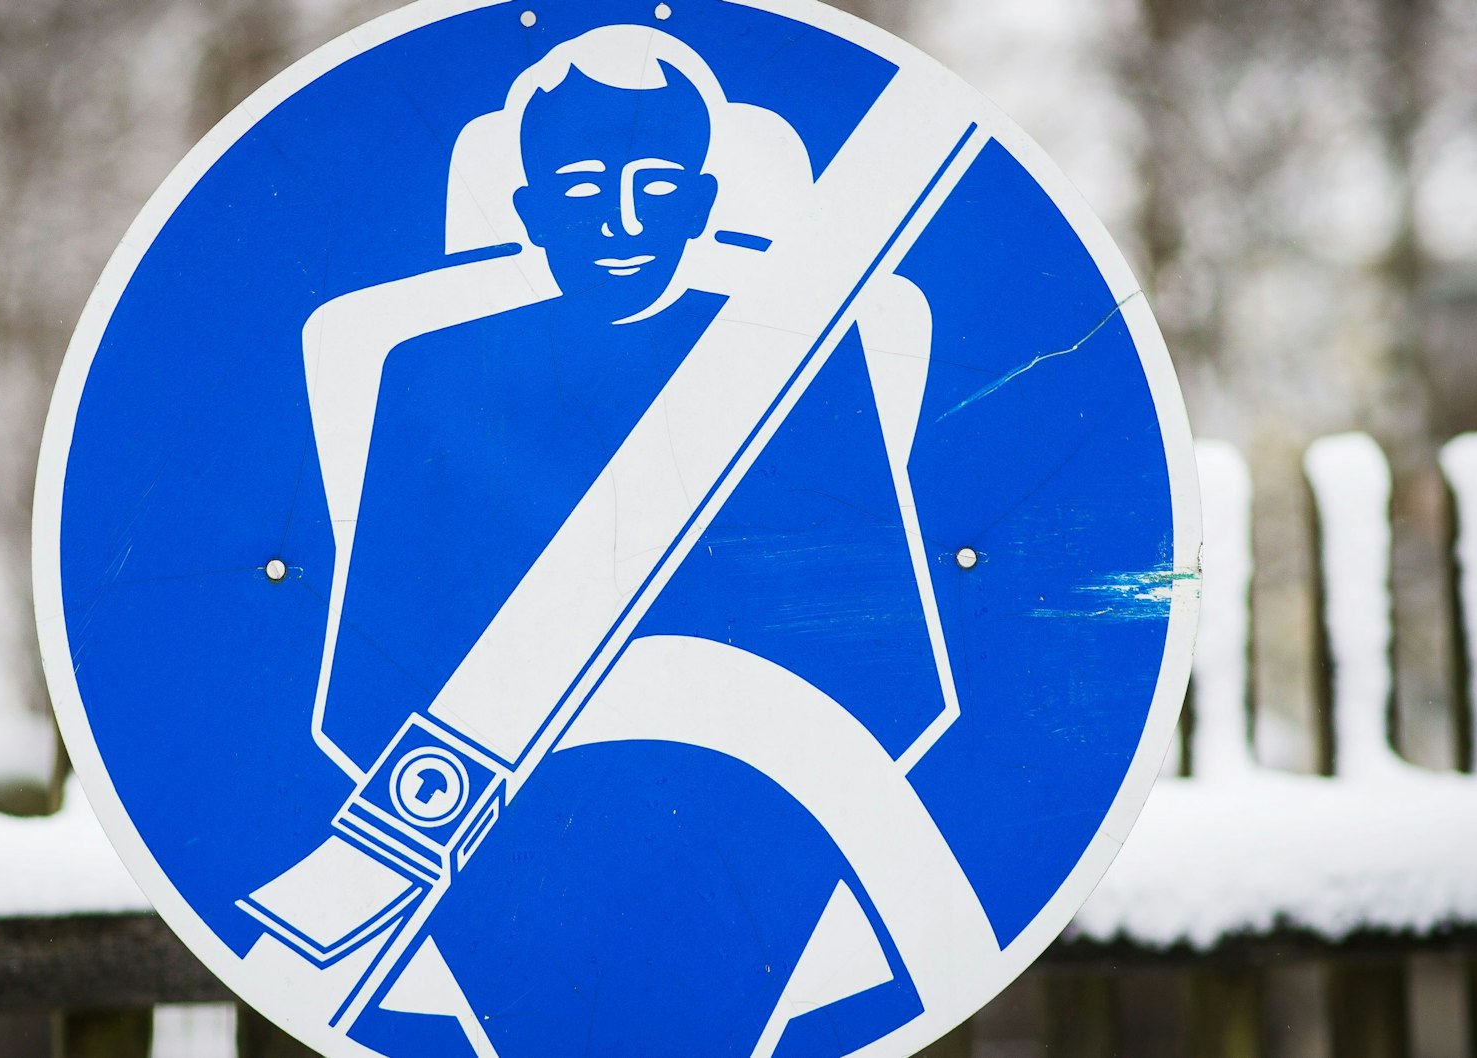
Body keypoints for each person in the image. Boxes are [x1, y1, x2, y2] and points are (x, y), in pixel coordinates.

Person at [254, 25, 993, 1057]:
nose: (622, 219)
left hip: (756, 840)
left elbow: (883, 676)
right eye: (581, 187)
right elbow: (373, 686)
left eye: (658, 184)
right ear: (526, 212)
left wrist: (744, 848)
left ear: (702, 202)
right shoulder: (432, 377)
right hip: (491, 851)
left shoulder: (797, 366)